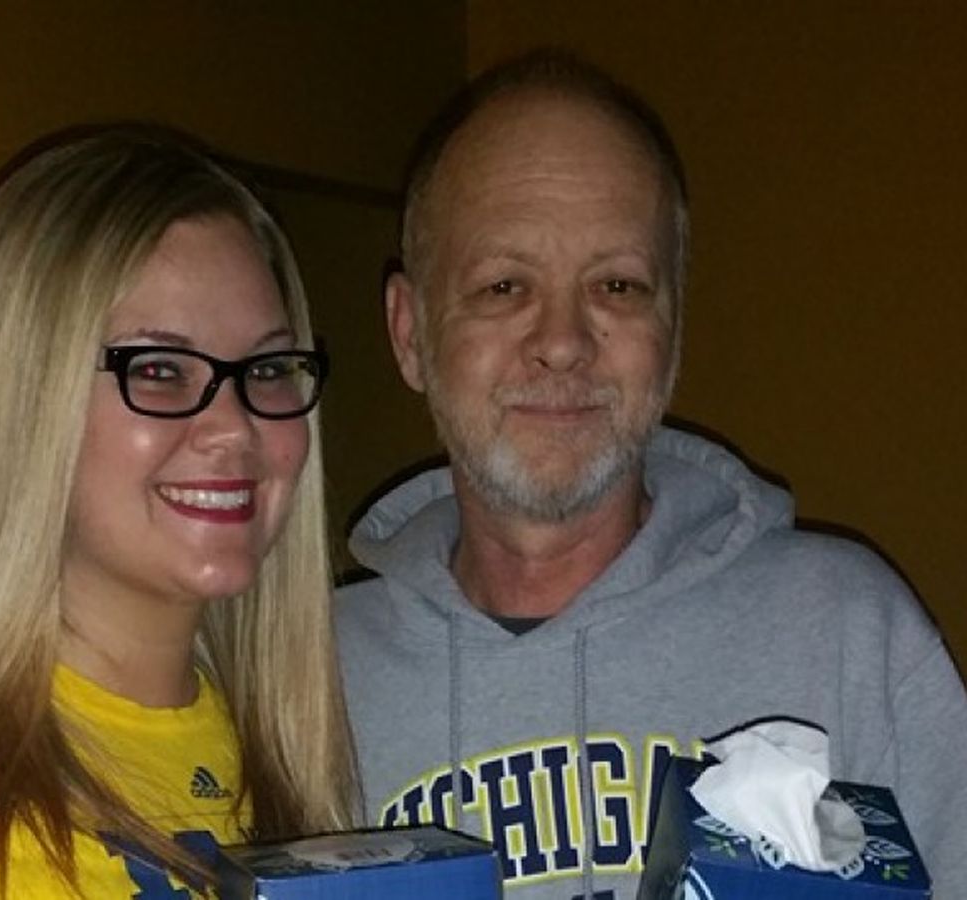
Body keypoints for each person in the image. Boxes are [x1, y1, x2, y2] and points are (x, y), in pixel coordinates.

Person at [335, 49, 967, 900]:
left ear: (673, 327)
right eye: (504, 285)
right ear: (410, 333)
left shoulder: (852, 635)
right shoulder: (307, 682)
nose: (563, 342)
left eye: (618, 285)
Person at [0, 125, 358, 898]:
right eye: (159, 368)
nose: (234, 426)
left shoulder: (297, 772)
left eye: (269, 367)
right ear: (22, 399)